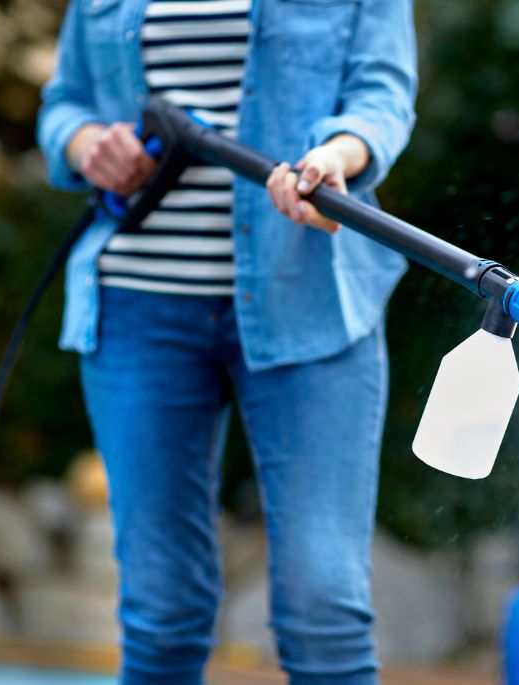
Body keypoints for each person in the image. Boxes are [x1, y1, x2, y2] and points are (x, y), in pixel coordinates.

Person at [36, 1, 417, 683]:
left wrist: (337, 153)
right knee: (161, 612)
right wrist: (86, 141)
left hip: (310, 306)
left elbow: (382, 93)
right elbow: (63, 101)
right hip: (137, 310)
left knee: (322, 609)